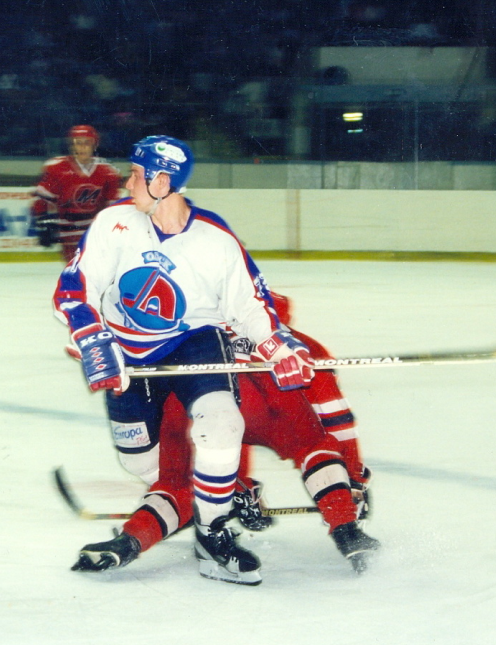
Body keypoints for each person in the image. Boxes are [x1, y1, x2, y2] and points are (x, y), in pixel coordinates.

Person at [53, 134, 318, 586]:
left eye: (136, 174)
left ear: (162, 182)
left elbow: (249, 304)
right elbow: (73, 290)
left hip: (195, 339)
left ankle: (212, 536)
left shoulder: (215, 238)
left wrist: (277, 345)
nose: (128, 182)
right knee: (141, 464)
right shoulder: (114, 222)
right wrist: (94, 338)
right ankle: (227, 489)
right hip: (126, 349)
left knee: (222, 423)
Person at [79, 291, 379, 575]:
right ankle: (347, 532)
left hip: (192, 400)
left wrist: (236, 489)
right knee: (313, 446)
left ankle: (128, 542)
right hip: (272, 403)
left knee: (180, 484)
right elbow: (337, 419)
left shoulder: (189, 332)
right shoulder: (298, 344)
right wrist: (353, 480)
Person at [31, 125, 122, 262]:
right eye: (78, 143)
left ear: (94, 145)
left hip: (95, 231)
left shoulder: (108, 172)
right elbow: (42, 200)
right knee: (76, 270)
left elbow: (113, 207)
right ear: (72, 145)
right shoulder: (57, 168)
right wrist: (43, 224)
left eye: (87, 143)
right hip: (68, 231)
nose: (82, 147)